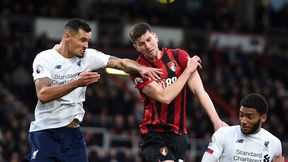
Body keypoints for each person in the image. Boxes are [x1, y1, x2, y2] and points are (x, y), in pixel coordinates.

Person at [25, 18, 163, 162]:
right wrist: (76, 83)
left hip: (72, 134)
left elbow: (120, 62)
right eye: (82, 40)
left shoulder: (88, 56)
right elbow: (43, 94)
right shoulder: (45, 58)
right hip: (45, 132)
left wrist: (142, 68)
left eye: (88, 41)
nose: (86, 45)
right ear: (67, 36)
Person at [128, 23, 227, 162]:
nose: (148, 46)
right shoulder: (139, 70)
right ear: (136, 47)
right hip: (154, 133)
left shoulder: (178, 55)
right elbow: (165, 97)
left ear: (155, 37)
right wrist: (187, 70)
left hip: (179, 134)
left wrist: (217, 122)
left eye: (149, 40)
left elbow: (199, 91)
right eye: (141, 44)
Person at [201, 93, 284, 162]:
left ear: (263, 118)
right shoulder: (224, 134)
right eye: (241, 115)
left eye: (250, 117)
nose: (243, 121)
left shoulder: (274, 143)